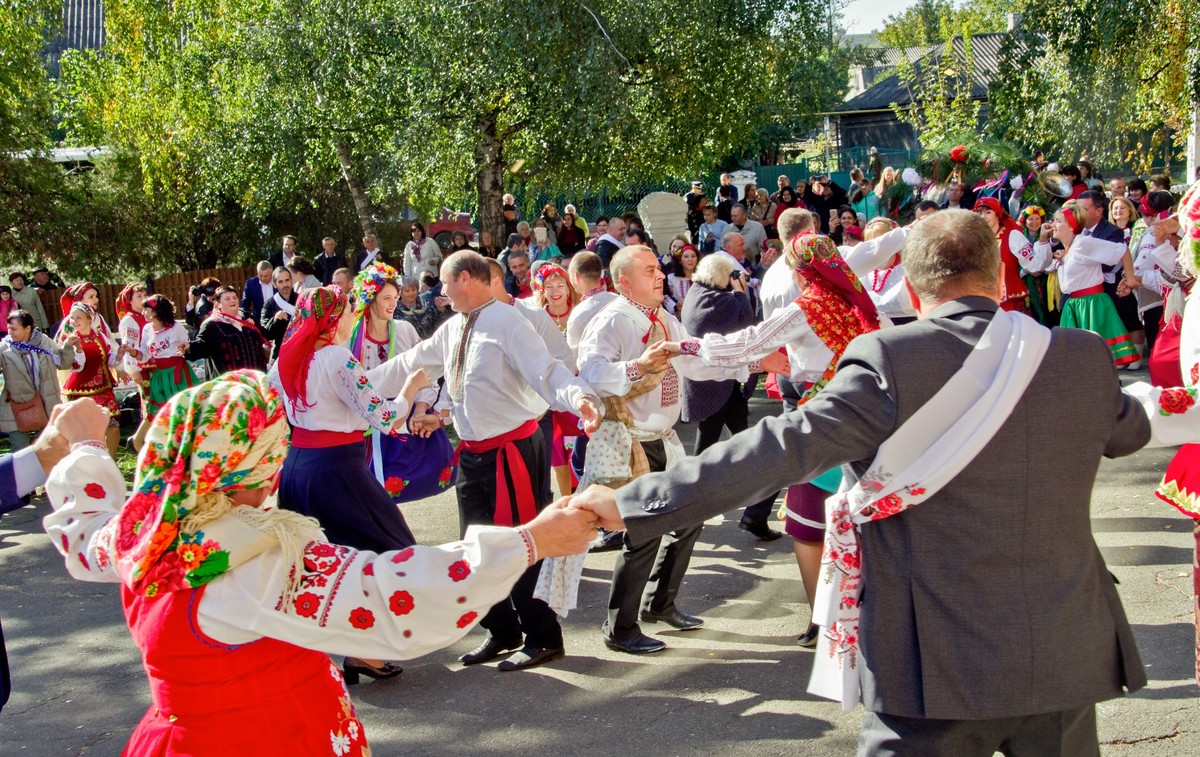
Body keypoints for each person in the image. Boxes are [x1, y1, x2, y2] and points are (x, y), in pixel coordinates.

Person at [571, 209, 1157, 756]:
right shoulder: (1078, 355)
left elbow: (776, 449)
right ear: (1000, 276)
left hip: (933, 662)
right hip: (1065, 647)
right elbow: (1133, 429)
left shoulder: (888, 358)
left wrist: (633, 502)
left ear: (911, 285)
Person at [39, 382, 599, 753]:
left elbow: (85, 527)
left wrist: (85, 446)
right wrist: (533, 540)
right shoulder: (255, 562)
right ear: (255, 465)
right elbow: (395, 595)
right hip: (271, 740)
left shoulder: (144, 535)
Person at [369, 251, 602, 672]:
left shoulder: (509, 323)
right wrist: (356, 387)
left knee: (523, 543)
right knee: (474, 546)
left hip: (513, 450)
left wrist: (579, 397)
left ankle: (544, 637)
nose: (440, 292)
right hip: (476, 453)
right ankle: (503, 630)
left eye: (444, 282)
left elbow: (547, 372)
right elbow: (411, 363)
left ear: (465, 278)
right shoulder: (453, 326)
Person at [576, 245, 784, 654]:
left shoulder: (664, 317)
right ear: (624, 282)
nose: (660, 275)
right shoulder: (612, 320)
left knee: (690, 516)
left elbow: (696, 360)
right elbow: (592, 372)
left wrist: (755, 363)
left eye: (658, 269)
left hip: (663, 441)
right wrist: (639, 367)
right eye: (649, 270)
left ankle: (659, 603)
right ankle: (620, 628)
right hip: (630, 441)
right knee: (644, 533)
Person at [271, 284, 431, 688]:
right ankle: (364, 647)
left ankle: (341, 649)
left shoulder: (286, 358)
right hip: (337, 470)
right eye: (346, 313)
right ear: (332, 320)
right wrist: (410, 389)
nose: (351, 319)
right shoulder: (337, 358)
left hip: (298, 468)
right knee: (387, 550)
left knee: (320, 561)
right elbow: (382, 417)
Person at [679, 254, 780, 541]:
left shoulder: (697, 293)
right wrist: (740, 292)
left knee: (738, 441)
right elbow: (747, 324)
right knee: (712, 446)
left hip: (717, 383)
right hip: (716, 383)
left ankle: (754, 512)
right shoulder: (720, 300)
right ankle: (691, 506)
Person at [347, 263, 451, 504]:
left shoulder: (404, 330)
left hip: (405, 419)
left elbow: (426, 373)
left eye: (395, 297)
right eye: (386, 298)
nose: (393, 303)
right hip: (365, 424)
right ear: (369, 299)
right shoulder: (350, 336)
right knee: (367, 496)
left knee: (398, 491)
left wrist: (421, 408)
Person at [1033, 200, 1139, 369]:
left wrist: (1130, 279)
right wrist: (1045, 240)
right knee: (1078, 362)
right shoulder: (1069, 248)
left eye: (1058, 221)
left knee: (1096, 359)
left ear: (1072, 226)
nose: (1053, 225)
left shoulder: (1083, 243)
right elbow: (1038, 264)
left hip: (1091, 306)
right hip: (1074, 305)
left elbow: (1122, 250)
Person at [127, 294, 197, 450]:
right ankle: (139, 441)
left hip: (177, 374)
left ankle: (184, 445)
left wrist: (185, 347)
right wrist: (132, 351)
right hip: (160, 375)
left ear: (156, 311)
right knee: (158, 410)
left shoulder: (176, 328)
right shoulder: (147, 330)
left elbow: (187, 345)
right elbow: (145, 354)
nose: (143, 312)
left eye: (146, 309)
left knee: (182, 409)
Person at [0, 310, 73, 458]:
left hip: (46, 403)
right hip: (17, 406)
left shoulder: (44, 342)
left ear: (27, 328)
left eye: (14, 329)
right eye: (8, 328)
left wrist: (68, 347)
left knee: (49, 450)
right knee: (20, 450)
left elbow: (63, 363)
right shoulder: (4, 348)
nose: (10, 332)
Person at [60, 302, 120, 456]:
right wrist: (79, 349)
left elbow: (109, 358)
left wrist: (119, 355)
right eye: (72, 318)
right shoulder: (71, 340)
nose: (74, 321)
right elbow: (76, 366)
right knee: (86, 431)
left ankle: (109, 461)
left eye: (78, 317)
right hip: (81, 391)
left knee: (112, 427)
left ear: (89, 319)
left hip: (103, 388)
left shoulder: (100, 336)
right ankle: (87, 460)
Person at [973, 197, 1040, 313]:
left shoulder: (1012, 234)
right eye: (979, 213)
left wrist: (1043, 243)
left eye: (988, 212)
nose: (983, 217)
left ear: (997, 215)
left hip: (1011, 301)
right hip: (984, 301)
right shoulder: (975, 238)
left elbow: (1034, 264)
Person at [187, 286, 269, 375]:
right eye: (227, 299)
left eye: (234, 297)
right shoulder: (212, 324)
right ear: (218, 303)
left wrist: (277, 320)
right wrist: (188, 347)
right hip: (230, 380)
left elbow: (265, 334)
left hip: (256, 376)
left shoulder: (247, 317)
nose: (232, 300)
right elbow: (201, 347)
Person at [259, 266, 297, 364]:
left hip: (301, 351)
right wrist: (275, 319)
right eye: (280, 282)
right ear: (274, 284)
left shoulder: (302, 299)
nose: (285, 284)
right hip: (280, 354)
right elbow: (265, 334)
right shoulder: (269, 304)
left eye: (287, 280)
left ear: (291, 280)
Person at [664, 243, 699, 318]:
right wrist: (676, 305)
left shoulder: (702, 279)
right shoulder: (671, 279)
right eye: (686, 256)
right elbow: (664, 296)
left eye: (693, 256)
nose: (690, 259)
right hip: (678, 320)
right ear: (680, 260)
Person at [240, 261, 275, 325]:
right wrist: (241, 315)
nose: (263, 278)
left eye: (266, 276)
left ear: (272, 273)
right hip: (259, 321)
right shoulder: (251, 283)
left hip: (277, 320)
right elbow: (245, 303)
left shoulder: (278, 281)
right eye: (260, 275)